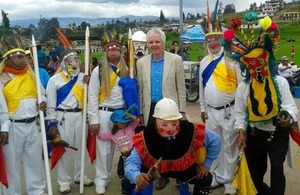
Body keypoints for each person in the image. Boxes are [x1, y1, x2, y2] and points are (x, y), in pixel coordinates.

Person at [223, 15, 299, 195]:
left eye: (260, 62)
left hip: (276, 134)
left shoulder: (279, 82)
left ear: (267, 60)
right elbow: (240, 113)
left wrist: (287, 117)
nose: (257, 67)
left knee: (277, 167)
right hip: (254, 135)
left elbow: (290, 106)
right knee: (255, 175)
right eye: (252, 63)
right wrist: (241, 131)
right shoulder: (244, 87)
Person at [124, 98, 221, 195]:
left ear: (179, 120)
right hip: (154, 169)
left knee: (206, 178)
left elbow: (215, 140)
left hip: (182, 168)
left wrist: (206, 164)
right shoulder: (147, 135)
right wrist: (136, 176)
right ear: (156, 121)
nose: (170, 129)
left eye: (174, 123)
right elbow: (132, 161)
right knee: (127, 182)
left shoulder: (189, 130)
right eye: (164, 125)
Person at [136, 27, 187, 190]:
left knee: (171, 141)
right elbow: (141, 89)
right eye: (150, 42)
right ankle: (156, 172)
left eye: (157, 41)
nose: (154, 45)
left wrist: (183, 111)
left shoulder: (176, 59)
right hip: (150, 109)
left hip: (170, 109)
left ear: (163, 42)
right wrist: (142, 113)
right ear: (147, 44)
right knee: (153, 141)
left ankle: (174, 173)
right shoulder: (141, 62)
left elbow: (181, 87)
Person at [0, 36, 47, 195]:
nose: (24, 59)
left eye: (24, 56)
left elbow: (42, 94)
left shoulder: (32, 75)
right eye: (19, 57)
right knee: (11, 164)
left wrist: (43, 102)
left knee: (34, 161)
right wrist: (4, 128)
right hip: (12, 127)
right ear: (9, 59)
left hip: (33, 125)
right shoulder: (2, 78)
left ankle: (37, 191)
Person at [198, 31, 241, 195]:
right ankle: (216, 175)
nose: (212, 43)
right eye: (209, 40)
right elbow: (201, 88)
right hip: (210, 112)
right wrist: (202, 108)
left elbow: (241, 87)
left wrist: (240, 112)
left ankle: (229, 180)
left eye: (215, 39)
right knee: (213, 146)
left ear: (222, 41)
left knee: (229, 146)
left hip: (229, 110)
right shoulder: (203, 62)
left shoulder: (232, 59)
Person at [46, 49, 93, 194]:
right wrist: (52, 123)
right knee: (64, 149)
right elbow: (50, 103)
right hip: (63, 117)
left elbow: (90, 98)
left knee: (80, 148)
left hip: (80, 116)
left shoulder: (83, 78)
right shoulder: (55, 80)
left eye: (77, 59)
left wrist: (89, 83)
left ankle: (80, 176)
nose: (75, 61)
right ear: (64, 62)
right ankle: (63, 181)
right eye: (71, 59)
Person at [88, 40, 129, 195]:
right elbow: (92, 96)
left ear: (120, 51)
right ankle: (101, 179)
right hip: (104, 112)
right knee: (103, 150)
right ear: (106, 52)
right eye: (110, 50)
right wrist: (94, 120)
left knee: (126, 148)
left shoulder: (127, 68)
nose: (113, 52)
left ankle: (127, 177)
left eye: (116, 49)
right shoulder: (97, 71)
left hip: (123, 113)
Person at [98, 109, 139, 194]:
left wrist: (130, 116)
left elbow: (137, 120)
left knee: (135, 169)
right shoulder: (113, 134)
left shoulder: (131, 126)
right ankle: (124, 187)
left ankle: (137, 183)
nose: (125, 124)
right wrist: (95, 132)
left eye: (125, 122)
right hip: (125, 156)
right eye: (122, 122)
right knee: (125, 172)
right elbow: (103, 136)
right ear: (116, 123)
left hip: (135, 154)